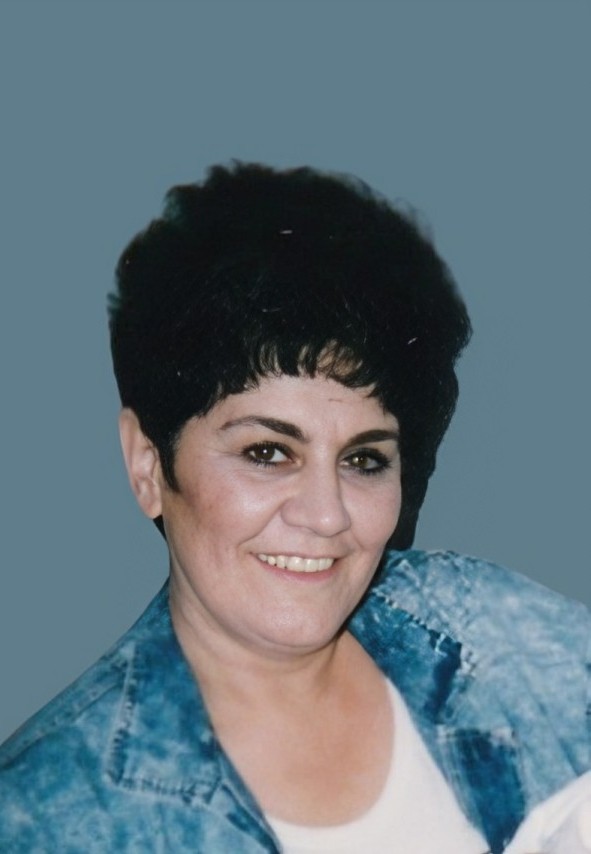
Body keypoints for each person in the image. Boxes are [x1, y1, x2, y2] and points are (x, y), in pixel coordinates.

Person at [0, 163, 588, 854]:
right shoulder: (46, 817)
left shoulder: (491, 630)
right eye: (267, 453)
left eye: (363, 460)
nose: (326, 515)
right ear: (148, 465)